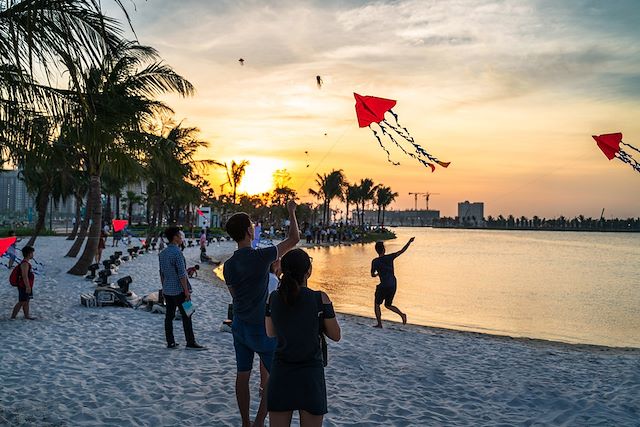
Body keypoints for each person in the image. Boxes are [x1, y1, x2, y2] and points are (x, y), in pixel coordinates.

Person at [223, 200, 300, 427]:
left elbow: (234, 295)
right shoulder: (260, 257)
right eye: (252, 225)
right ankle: (258, 422)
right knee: (272, 378)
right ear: (249, 231)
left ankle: (245, 422)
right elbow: (294, 239)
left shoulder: (228, 265)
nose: (254, 227)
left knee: (242, 375)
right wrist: (291, 212)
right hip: (261, 329)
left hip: (239, 326)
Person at [265, 249, 341, 426]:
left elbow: (270, 332)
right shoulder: (319, 299)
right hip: (310, 374)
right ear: (308, 271)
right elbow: (336, 335)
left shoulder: (274, 298)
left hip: (281, 372)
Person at [159, 226, 205, 350]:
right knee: (188, 314)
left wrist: (163, 288)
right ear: (175, 237)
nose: (181, 238)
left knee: (169, 316)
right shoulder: (177, 253)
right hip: (180, 290)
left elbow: (161, 273)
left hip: (168, 290)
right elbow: (182, 274)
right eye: (180, 236)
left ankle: (171, 342)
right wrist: (186, 291)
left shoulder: (162, 253)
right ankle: (190, 342)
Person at [371, 237, 415, 328]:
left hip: (384, 285)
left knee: (377, 304)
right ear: (384, 249)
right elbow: (402, 250)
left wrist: (377, 274)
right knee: (388, 305)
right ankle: (402, 315)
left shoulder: (375, 261)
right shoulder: (390, 257)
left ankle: (379, 324)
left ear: (376, 250)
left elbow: (372, 274)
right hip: (393, 284)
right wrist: (409, 242)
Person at [11, 246, 36, 320]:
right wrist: (28, 286)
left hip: (26, 285)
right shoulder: (25, 264)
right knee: (22, 301)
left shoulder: (26, 263)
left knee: (26, 301)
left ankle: (27, 316)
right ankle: (13, 316)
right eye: (32, 253)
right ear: (29, 254)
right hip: (23, 285)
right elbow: (24, 276)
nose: (33, 255)